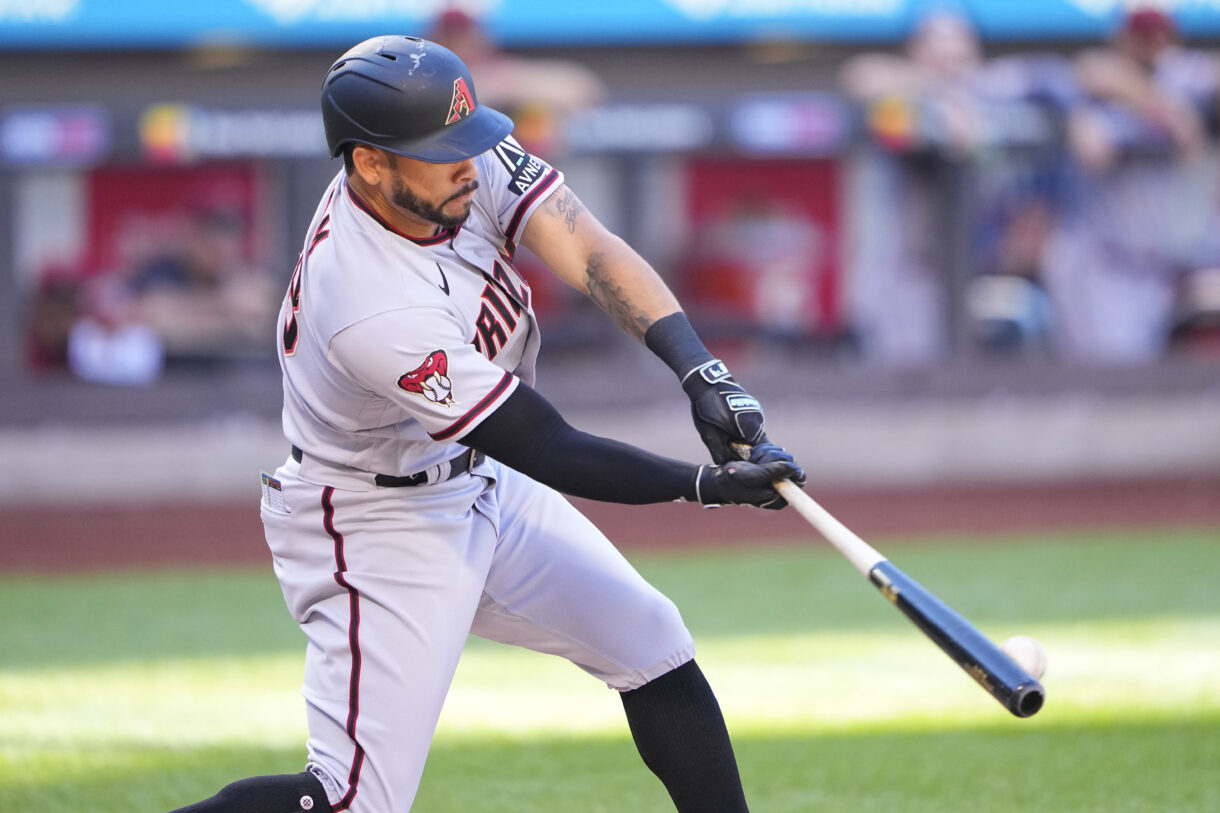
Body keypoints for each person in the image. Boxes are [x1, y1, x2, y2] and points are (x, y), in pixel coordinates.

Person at [169, 35, 804, 813]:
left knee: (651, 642)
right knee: (350, 800)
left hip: (475, 474)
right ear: (370, 163)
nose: (468, 162)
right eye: (443, 151)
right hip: (378, 518)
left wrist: (702, 372)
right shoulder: (369, 299)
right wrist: (706, 483)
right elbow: (547, 445)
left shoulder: (453, 160)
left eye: (469, 137)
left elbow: (587, 249)